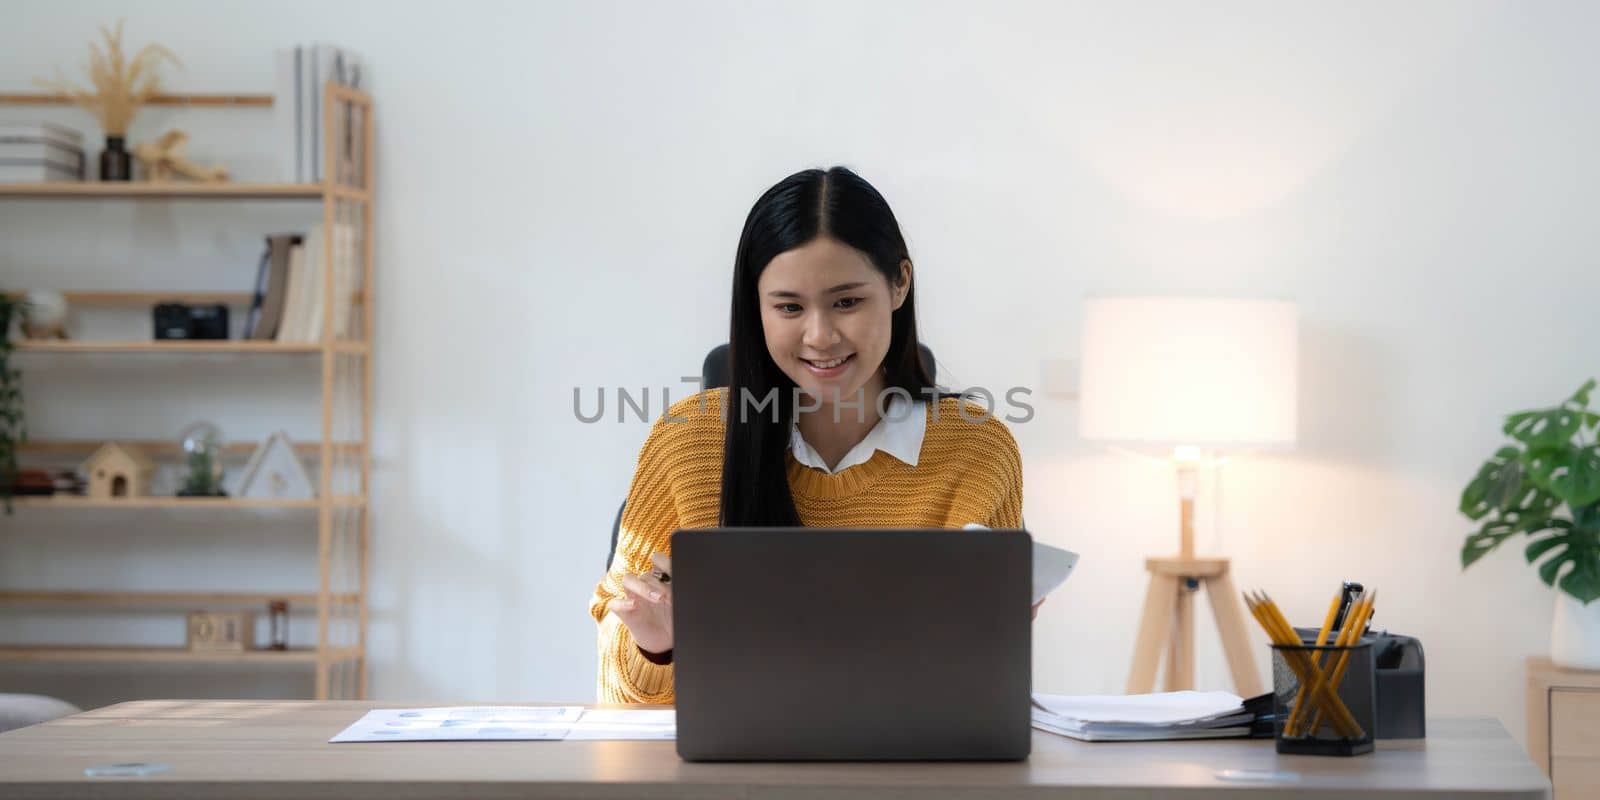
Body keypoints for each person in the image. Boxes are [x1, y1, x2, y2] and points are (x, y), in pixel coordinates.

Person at [588, 166, 1026, 704]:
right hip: (726, 780)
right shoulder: (689, 441)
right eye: (789, 307)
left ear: (899, 284)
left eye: (846, 302)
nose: (820, 336)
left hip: (908, 774)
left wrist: (994, 641)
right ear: (757, 306)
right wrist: (656, 646)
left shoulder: (978, 450)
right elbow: (619, 696)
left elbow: (983, 696)